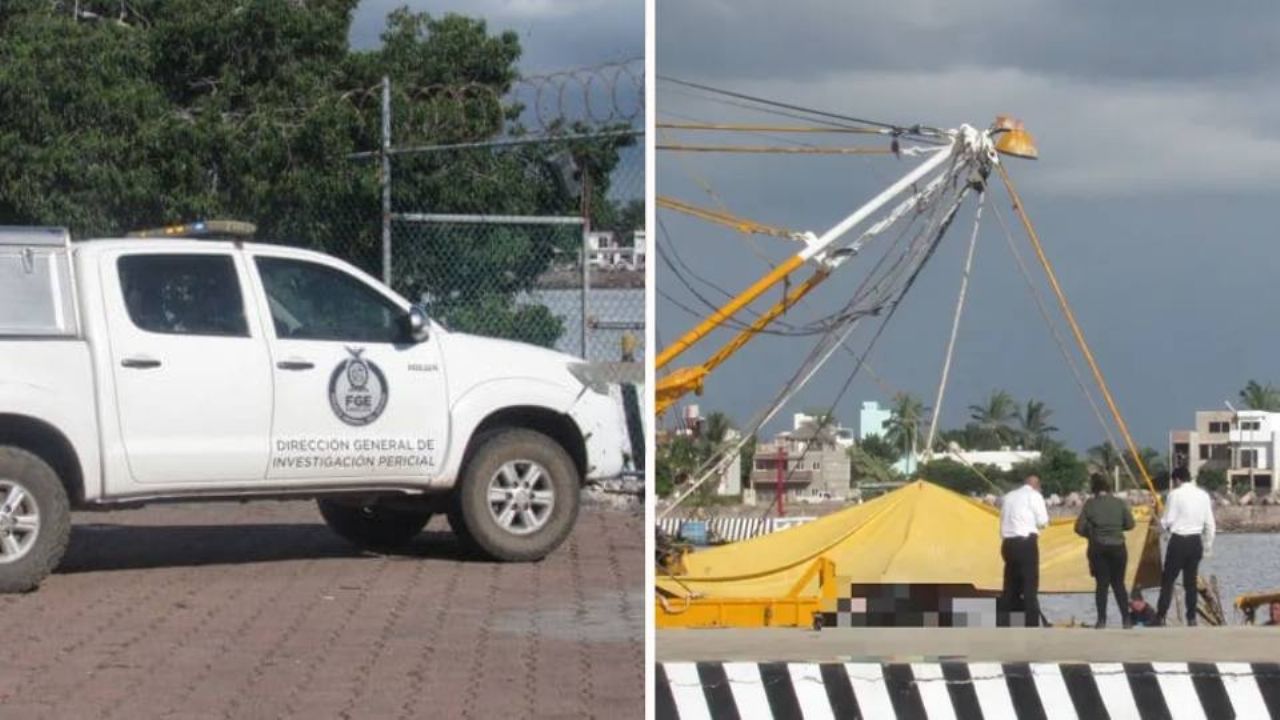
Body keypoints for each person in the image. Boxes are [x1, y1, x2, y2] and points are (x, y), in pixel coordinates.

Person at [1155, 466, 1216, 626]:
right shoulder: (1203, 495)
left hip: (1178, 541)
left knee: (1168, 581)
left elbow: (1167, 520)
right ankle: (1191, 617)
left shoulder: (1174, 495)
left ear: (1177, 479)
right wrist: (1208, 546)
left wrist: (1158, 526)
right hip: (1196, 542)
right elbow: (1210, 524)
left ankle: (1160, 616)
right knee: (1190, 583)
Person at [1075, 473, 1135, 628]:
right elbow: (1130, 524)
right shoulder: (1119, 503)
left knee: (1102, 585)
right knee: (1119, 584)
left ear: (1094, 488)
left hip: (1099, 548)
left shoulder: (1090, 504)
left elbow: (1078, 528)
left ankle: (1101, 620)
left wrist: (1091, 533)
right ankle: (1126, 619)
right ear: (1109, 488)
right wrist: (1116, 528)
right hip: (1118, 547)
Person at [999, 474, 1049, 627]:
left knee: (1010, 585)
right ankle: (1031, 624)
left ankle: (1005, 622)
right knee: (1029, 585)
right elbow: (1043, 521)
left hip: (1008, 544)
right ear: (1037, 485)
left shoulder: (1008, 496)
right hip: (1025, 543)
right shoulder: (1034, 496)